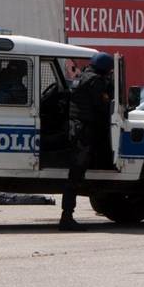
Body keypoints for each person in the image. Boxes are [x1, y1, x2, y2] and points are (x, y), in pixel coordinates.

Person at [60, 52, 114, 231]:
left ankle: (67, 216)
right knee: (75, 175)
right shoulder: (95, 82)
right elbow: (103, 106)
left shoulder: (81, 77)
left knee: (75, 173)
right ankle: (66, 217)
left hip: (76, 128)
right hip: (83, 131)